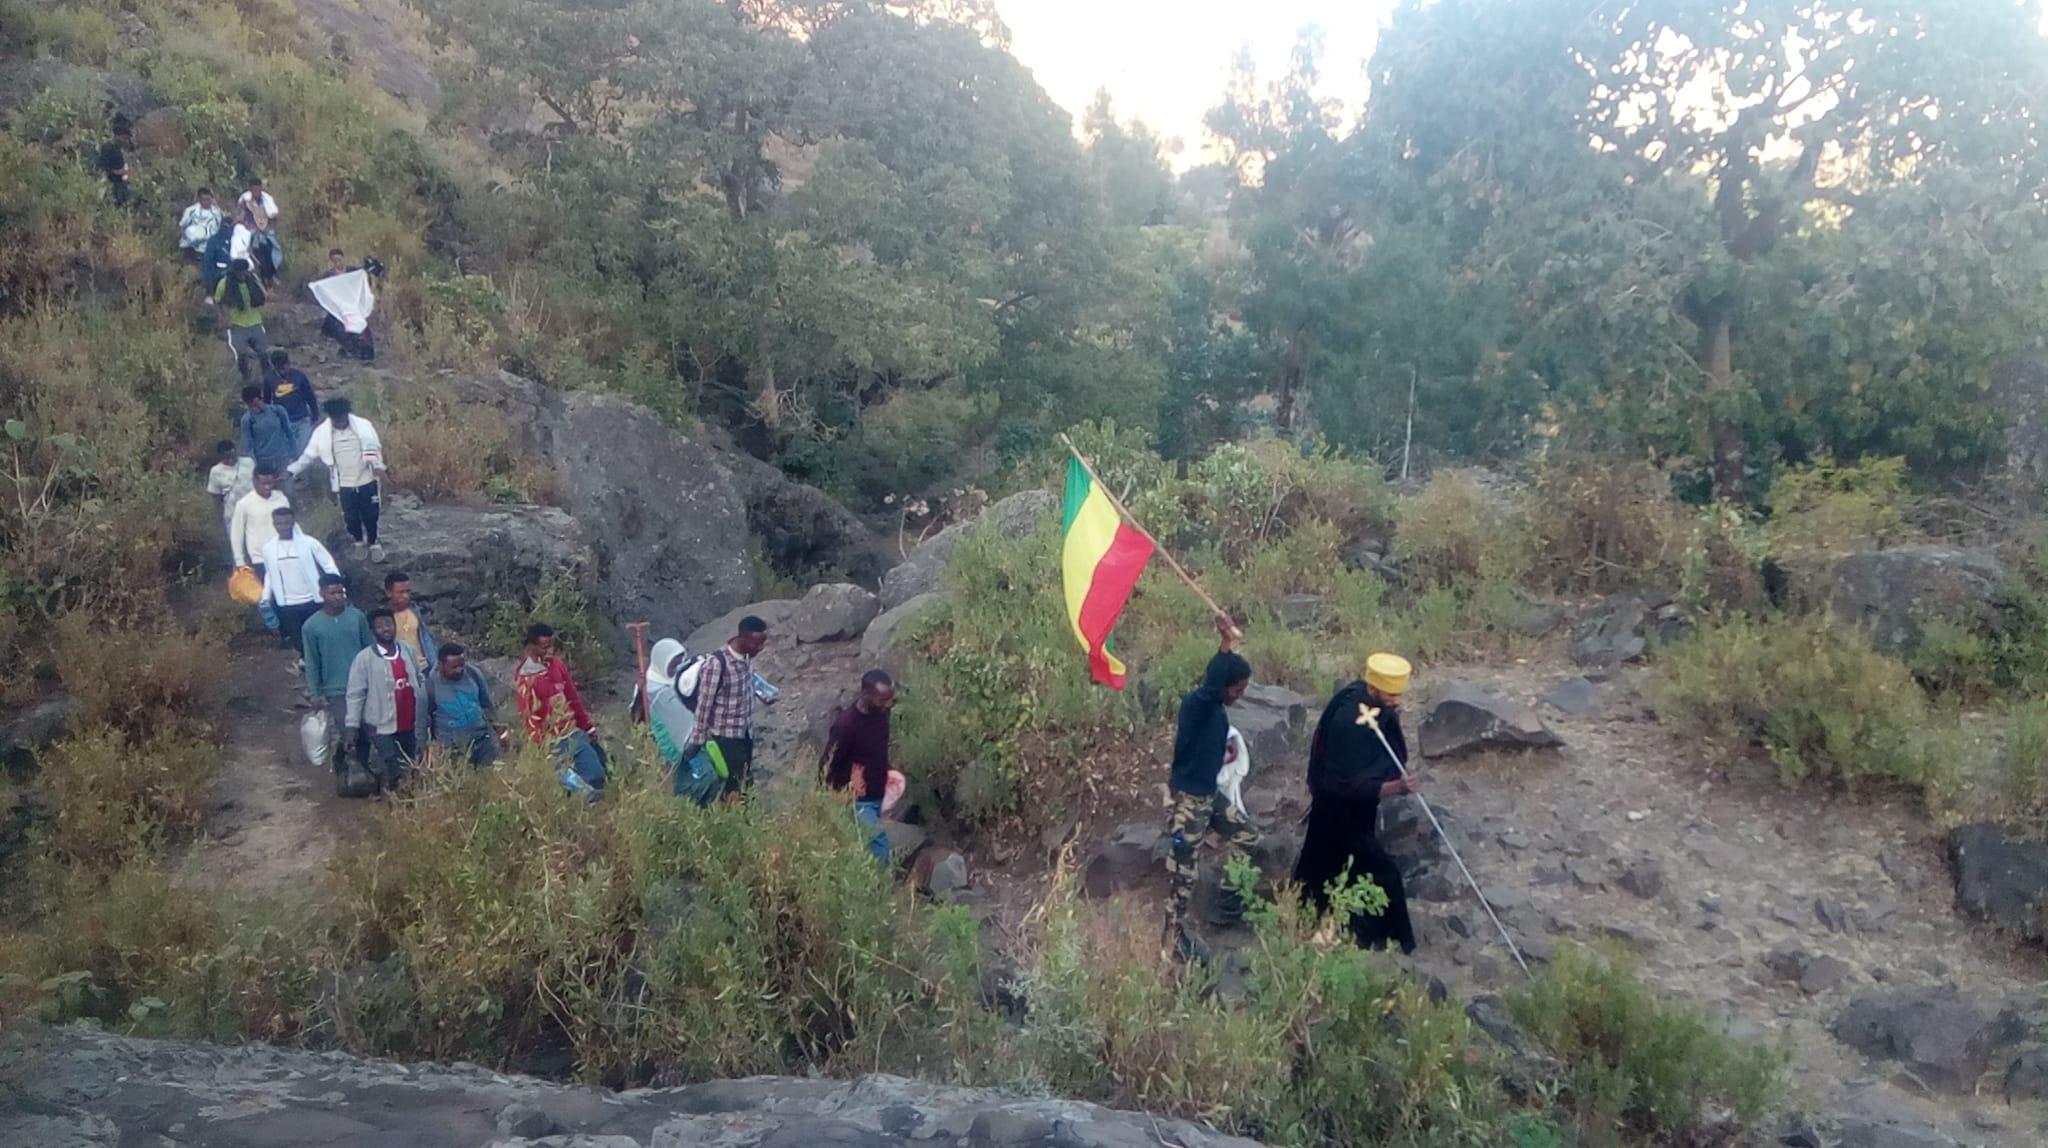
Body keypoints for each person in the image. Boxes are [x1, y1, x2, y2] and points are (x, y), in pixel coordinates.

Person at [1293, 653, 1419, 954]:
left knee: (1321, 865)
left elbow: (1383, 746)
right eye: (1391, 694)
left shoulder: (1366, 700)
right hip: (1339, 813)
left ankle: (1316, 921)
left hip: (1352, 811)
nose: (1396, 700)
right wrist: (1396, 787)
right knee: (1379, 874)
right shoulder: (1347, 724)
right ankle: (1380, 937)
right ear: (1375, 688)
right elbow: (1348, 783)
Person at [1162, 614, 1260, 959]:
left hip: (1207, 796)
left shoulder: (1215, 707)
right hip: (1189, 801)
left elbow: (1215, 682)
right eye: (1238, 688)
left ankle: (1224, 905)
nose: (1241, 694)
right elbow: (1210, 684)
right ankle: (1171, 940)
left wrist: (1226, 644)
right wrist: (1224, 645)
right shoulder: (1199, 705)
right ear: (1223, 686)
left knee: (1248, 836)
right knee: (1183, 872)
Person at [681, 615, 772, 800]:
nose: (760, 648)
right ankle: (740, 821)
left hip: (745, 732)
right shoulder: (717, 664)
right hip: (725, 737)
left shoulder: (746, 658)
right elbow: (704, 705)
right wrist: (697, 741)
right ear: (743, 637)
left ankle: (730, 818)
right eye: (757, 644)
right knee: (742, 786)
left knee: (737, 784)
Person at [290, 397, 387, 561]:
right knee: (350, 517)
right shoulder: (322, 433)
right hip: (344, 484)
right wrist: (291, 471)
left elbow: (373, 447)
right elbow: (308, 455)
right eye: (336, 419)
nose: (339, 422)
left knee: (371, 514)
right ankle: (358, 541)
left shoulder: (363, 426)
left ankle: (373, 542)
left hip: (366, 479)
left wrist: (377, 466)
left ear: (346, 414)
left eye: (342, 418)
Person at [513, 623, 605, 795]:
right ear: (531, 647)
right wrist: (541, 749)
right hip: (551, 742)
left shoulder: (557, 665)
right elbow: (528, 718)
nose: (550, 651)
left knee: (597, 776)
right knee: (571, 787)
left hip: (572, 733)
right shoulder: (525, 678)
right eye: (545, 647)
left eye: (552, 646)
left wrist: (587, 726)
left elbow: (572, 697)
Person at [821, 670, 898, 864]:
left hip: (879, 791)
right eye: (883, 700)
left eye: (890, 699)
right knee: (879, 844)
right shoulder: (846, 726)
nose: (888, 704)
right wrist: (831, 798)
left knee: (865, 844)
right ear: (865, 695)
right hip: (857, 798)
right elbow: (828, 763)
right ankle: (885, 889)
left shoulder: (881, 713)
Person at [346, 608, 427, 793]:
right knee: (391, 765)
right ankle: (394, 802)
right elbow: (355, 695)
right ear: (372, 630)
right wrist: (352, 726)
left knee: (410, 762)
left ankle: (411, 801)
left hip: (410, 722)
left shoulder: (406, 650)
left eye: (389, 624)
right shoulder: (364, 659)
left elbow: (419, 678)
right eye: (380, 626)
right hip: (381, 725)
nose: (386, 629)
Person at [302, 574, 373, 777]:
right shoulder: (311, 626)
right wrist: (315, 693)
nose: (337, 597)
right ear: (322, 594)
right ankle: (348, 768)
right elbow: (312, 661)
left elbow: (368, 649)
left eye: (340, 592)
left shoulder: (357, 617)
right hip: (335, 689)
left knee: (366, 730)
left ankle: (361, 771)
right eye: (332, 593)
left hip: (363, 685)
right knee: (348, 730)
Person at [642, 638, 718, 805]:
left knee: (711, 777)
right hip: (671, 747)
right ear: (662, 663)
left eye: (678, 663)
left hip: (694, 741)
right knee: (693, 781)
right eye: (672, 665)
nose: (675, 669)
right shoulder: (650, 689)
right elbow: (640, 717)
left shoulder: (681, 680)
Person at [258, 505, 340, 655]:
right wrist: (265, 598)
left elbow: (328, 565)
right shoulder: (268, 548)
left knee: (321, 637)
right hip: (287, 605)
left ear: (293, 522)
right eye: (279, 524)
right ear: (274, 524)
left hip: (313, 601)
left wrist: (338, 591)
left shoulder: (309, 543)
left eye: (286, 523)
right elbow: (269, 574)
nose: (282, 527)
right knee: (299, 642)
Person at [425, 643, 500, 766]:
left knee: (489, 779)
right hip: (452, 750)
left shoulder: (473, 674)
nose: (459, 670)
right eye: (454, 667)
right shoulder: (430, 686)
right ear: (441, 665)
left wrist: (499, 729)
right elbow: (422, 722)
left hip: (482, 743)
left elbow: (486, 704)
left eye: (462, 665)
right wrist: (426, 750)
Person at [214, 259, 269, 383]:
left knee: (263, 353)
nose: (242, 275)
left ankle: (268, 378)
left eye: (244, 272)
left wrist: (257, 282)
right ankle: (246, 378)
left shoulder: (253, 280)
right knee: (241, 354)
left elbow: (264, 295)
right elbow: (217, 301)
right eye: (240, 273)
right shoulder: (225, 284)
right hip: (236, 325)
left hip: (255, 321)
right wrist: (222, 317)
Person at [230, 464, 291, 575]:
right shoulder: (244, 504)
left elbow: (291, 524)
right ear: (254, 481)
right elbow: (237, 534)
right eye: (263, 484)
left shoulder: (281, 499)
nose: (267, 487)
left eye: (270, 483)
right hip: (260, 559)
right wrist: (240, 561)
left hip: (284, 555)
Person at [263, 351, 319, 459]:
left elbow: (310, 397)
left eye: (285, 366)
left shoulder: (299, 376)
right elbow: (267, 402)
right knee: (287, 455)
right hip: (283, 423)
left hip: (302, 420)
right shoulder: (269, 379)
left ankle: (303, 475)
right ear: (274, 366)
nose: (283, 370)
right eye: (280, 368)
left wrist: (315, 415)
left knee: (302, 452)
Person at [382, 571, 437, 667]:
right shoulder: (382, 619)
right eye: (400, 592)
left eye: (408, 591)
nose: (405, 596)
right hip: (398, 670)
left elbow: (427, 641)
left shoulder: (417, 612)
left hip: (423, 668)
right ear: (389, 593)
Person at [239, 384, 296, 473]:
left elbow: (289, 432)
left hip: (282, 458)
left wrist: (294, 454)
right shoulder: (247, 419)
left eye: (253, 403)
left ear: (257, 399)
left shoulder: (278, 411)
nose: (253, 408)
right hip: (262, 462)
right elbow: (247, 444)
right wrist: (253, 464)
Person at [179, 188, 224, 259]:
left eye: (208, 199)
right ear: (199, 199)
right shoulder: (190, 210)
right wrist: (186, 239)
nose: (206, 202)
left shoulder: (217, 213)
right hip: (190, 244)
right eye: (204, 200)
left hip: (207, 246)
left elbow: (218, 229)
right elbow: (182, 226)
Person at [97, 114, 131, 206]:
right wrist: (116, 172)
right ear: (117, 136)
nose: (125, 141)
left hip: (121, 188)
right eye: (124, 138)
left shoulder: (121, 151)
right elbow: (102, 167)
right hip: (111, 187)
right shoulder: (108, 148)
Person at [206, 440, 242, 525]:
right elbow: (216, 498)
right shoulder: (215, 471)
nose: (231, 460)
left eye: (233, 456)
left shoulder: (249, 462)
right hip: (232, 515)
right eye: (227, 457)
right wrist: (220, 519)